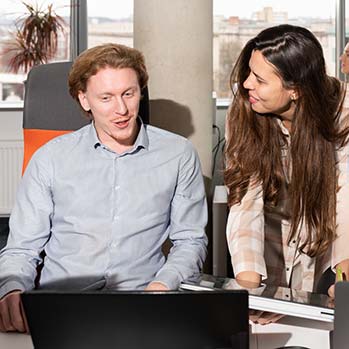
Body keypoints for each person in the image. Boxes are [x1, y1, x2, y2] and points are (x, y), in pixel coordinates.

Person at [0, 43, 208, 332]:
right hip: (62, 309)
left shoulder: (178, 154)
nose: (121, 109)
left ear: (141, 91)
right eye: (106, 97)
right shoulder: (50, 158)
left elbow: (190, 241)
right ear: (84, 100)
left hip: (144, 307)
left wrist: (162, 286)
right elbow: (22, 249)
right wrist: (11, 290)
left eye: (129, 94)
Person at [225, 25, 349, 300]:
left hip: (325, 244)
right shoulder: (244, 110)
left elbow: (345, 201)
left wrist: (343, 280)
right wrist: (250, 291)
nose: (246, 84)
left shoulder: (343, 111)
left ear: (296, 89)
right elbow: (246, 203)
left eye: (259, 79)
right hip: (269, 243)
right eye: (248, 73)